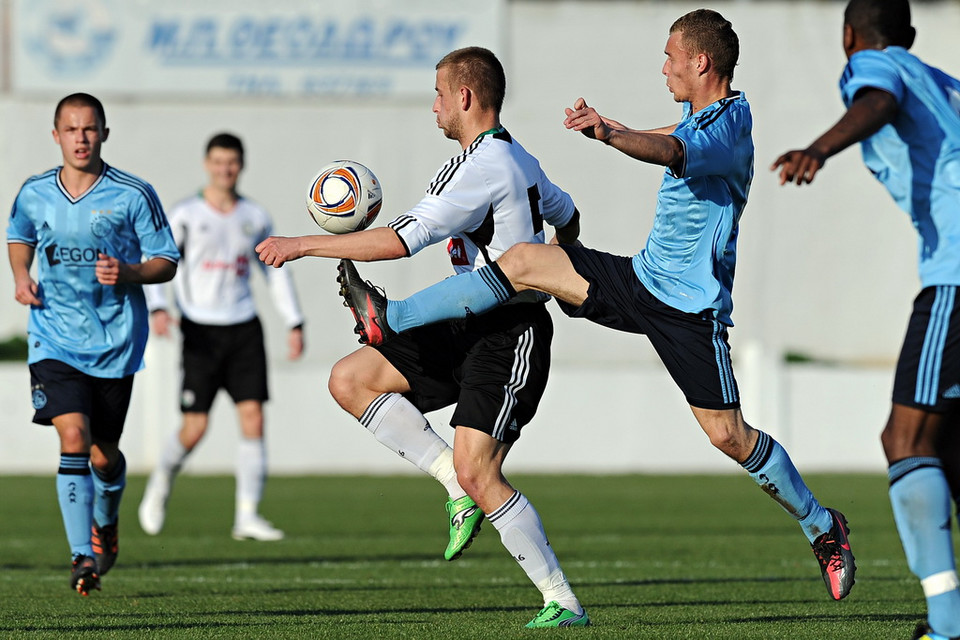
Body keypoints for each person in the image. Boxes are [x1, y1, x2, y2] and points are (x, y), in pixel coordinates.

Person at [331, 9, 858, 604]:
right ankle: (393, 316)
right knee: (528, 259)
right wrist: (606, 143)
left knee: (728, 436)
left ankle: (822, 526)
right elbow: (671, 136)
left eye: (670, 57)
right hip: (640, 278)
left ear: (700, 62)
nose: (664, 67)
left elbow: (669, 151)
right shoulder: (703, 113)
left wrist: (609, 134)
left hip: (689, 308)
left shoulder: (730, 128)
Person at [257, 46, 589, 628]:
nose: (433, 106)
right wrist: (561, 253)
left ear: (464, 96)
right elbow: (569, 213)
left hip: (509, 332)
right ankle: (452, 489)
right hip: (463, 317)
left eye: (439, 94)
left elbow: (400, 241)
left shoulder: (488, 167)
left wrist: (303, 244)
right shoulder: (509, 158)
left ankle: (562, 601)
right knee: (351, 379)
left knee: (479, 470)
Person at [772, 1, 960, 637]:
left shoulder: (875, 66)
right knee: (946, 446)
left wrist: (818, 149)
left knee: (904, 441)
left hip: (957, 275)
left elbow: (876, 103)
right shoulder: (944, 84)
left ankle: (948, 624)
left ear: (849, 36)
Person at [6, 93, 179, 595]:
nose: (80, 138)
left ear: (104, 133)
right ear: (55, 135)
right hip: (53, 336)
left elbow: (166, 258)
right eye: (71, 129)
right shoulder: (35, 192)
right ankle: (82, 556)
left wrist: (129, 272)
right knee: (74, 440)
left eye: (90, 129)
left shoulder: (132, 193)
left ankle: (106, 523)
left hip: (115, 340)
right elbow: (19, 235)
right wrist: (20, 275)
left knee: (105, 456)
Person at [138, 133, 305, 542]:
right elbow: (159, 262)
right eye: (218, 161)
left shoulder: (255, 216)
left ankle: (247, 515)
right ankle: (160, 483)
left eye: (231, 162)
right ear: (206, 164)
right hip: (199, 329)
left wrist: (294, 321)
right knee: (194, 427)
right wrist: (159, 309)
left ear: (241, 166)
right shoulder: (185, 214)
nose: (224, 169)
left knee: (254, 417)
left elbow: (275, 270)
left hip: (244, 326)